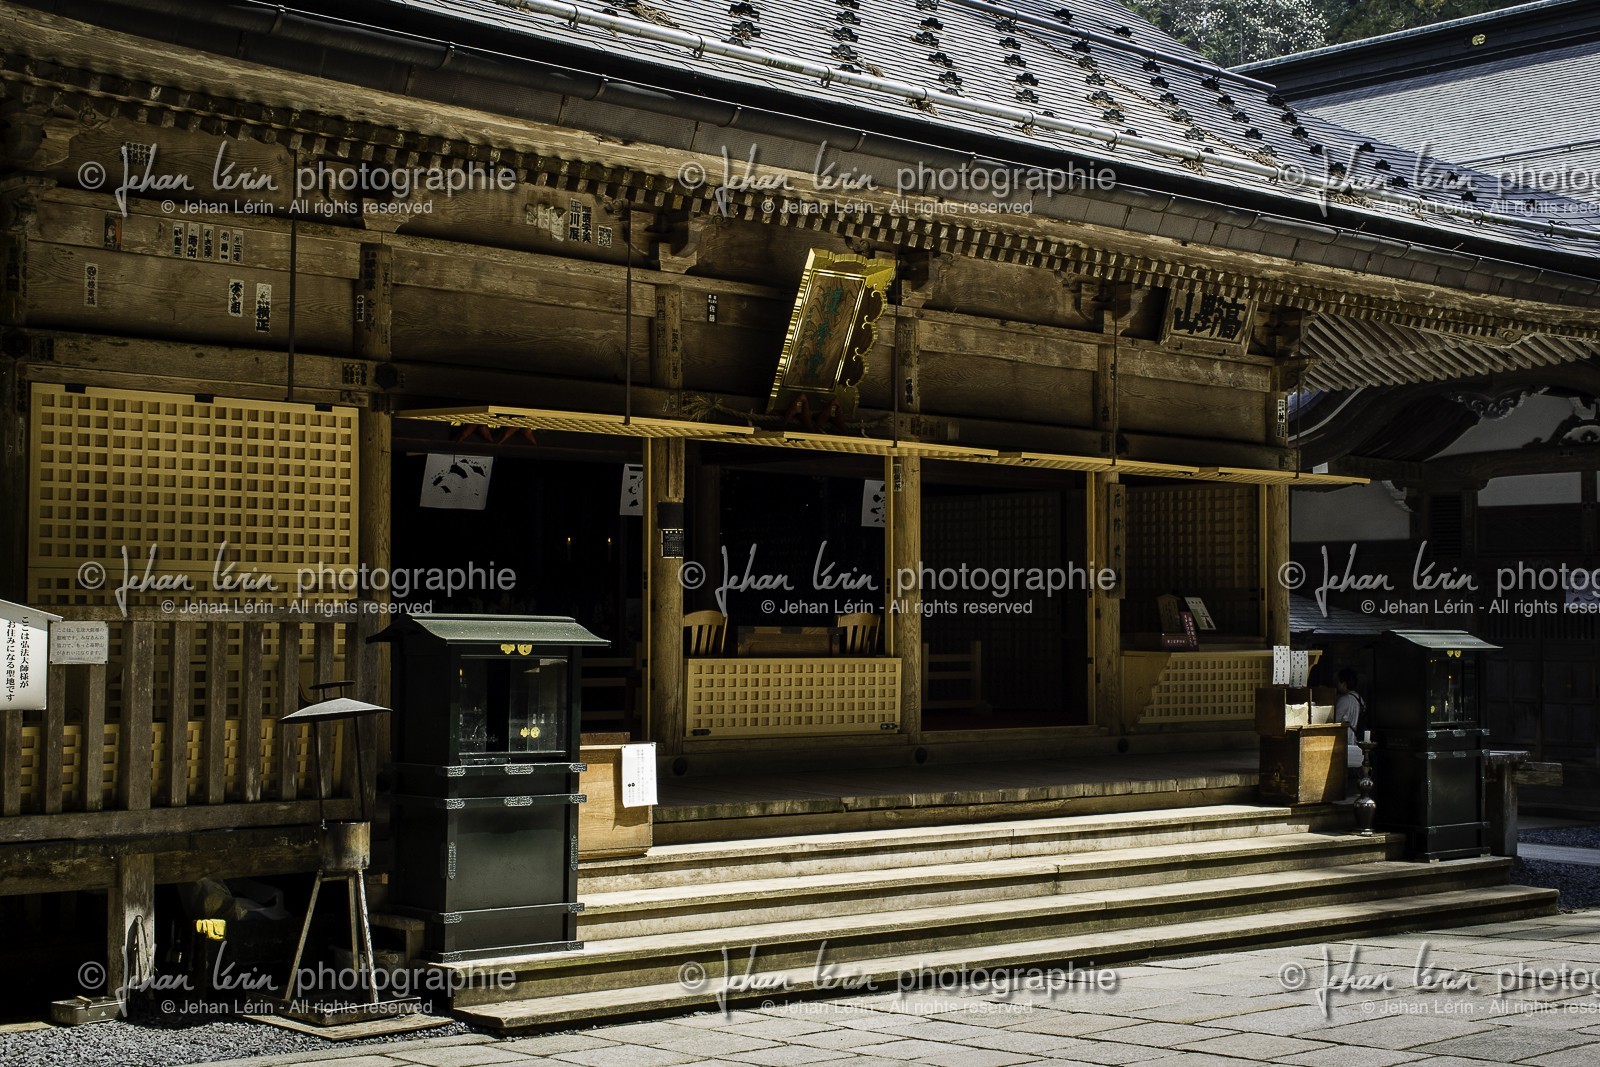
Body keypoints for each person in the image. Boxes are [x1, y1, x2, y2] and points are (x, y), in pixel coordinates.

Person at [1335, 667, 1365, 771]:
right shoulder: (1358, 698)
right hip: (1356, 737)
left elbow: (1336, 720)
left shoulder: (1345, 700)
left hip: (1347, 738)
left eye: (1339, 681)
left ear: (1344, 683)